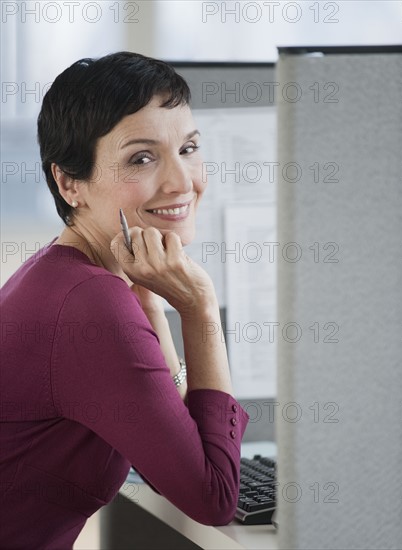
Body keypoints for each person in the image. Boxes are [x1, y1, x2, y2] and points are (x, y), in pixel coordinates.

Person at [0, 52, 249, 548]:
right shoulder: (87, 304)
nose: (182, 182)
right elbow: (214, 497)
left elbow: (169, 463)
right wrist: (199, 307)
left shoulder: (69, 274)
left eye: (189, 147)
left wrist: (151, 302)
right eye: (142, 157)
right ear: (71, 183)